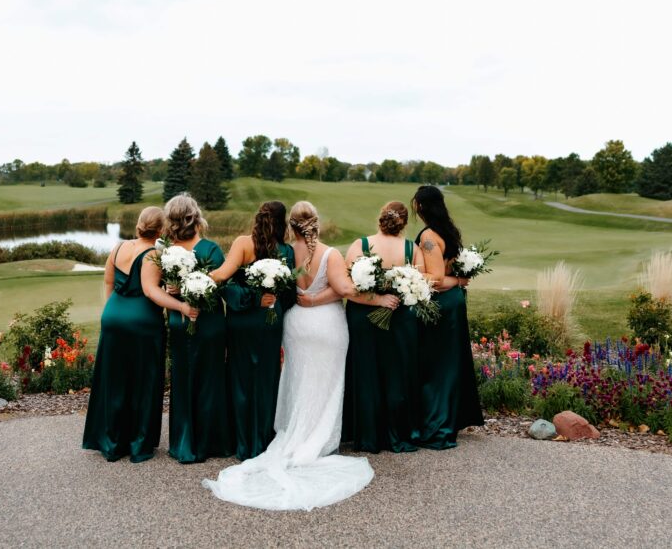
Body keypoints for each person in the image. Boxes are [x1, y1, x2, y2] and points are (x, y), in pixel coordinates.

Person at [202, 201, 374, 511]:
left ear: (291, 226)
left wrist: (195, 279)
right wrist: (371, 286)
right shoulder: (312, 252)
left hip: (293, 326)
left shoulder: (284, 251)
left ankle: (270, 436)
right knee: (322, 382)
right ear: (314, 223)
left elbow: (252, 284)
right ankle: (316, 438)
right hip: (321, 324)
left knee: (293, 380)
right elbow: (344, 288)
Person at [210, 201, 295, 460]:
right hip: (270, 320)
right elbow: (289, 293)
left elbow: (222, 277)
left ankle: (242, 442)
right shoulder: (287, 251)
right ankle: (264, 439)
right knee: (267, 378)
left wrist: (196, 279)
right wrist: (271, 302)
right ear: (282, 223)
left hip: (243, 322)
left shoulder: (243, 243)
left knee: (241, 378)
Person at [82, 206, 168, 462]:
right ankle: (138, 442)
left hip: (113, 317)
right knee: (142, 381)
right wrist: (180, 304)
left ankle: (111, 441)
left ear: (140, 224)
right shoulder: (154, 254)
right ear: (161, 230)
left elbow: (109, 282)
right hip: (142, 323)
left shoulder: (118, 247)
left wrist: (113, 312)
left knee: (115, 380)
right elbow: (152, 292)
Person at [152, 194, 232, 463]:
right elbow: (223, 287)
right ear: (195, 217)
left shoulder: (166, 251)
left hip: (180, 320)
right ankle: (211, 443)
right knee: (209, 379)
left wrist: (170, 289)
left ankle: (185, 443)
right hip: (207, 321)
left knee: (184, 379)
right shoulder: (211, 249)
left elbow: (159, 286)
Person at [342, 201, 421, 453]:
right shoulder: (412, 249)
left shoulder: (360, 245)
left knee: (366, 373)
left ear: (380, 218)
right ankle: (396, 434)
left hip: (362, 317)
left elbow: (347, 287)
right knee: (396, 374)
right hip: (400, 316)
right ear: (404, 223)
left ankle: (367, 437)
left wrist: (375, 298)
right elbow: (421, 284)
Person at [411, 185, 484, 449]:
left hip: (441, 304)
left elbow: (437, 280)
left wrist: (408, 277)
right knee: (449, 362)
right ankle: (448, 419)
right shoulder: (449, 231)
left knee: (437, 365)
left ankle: (437, 426)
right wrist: (459, 280)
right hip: (453, 303)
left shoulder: (430, 236)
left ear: (420, 205)